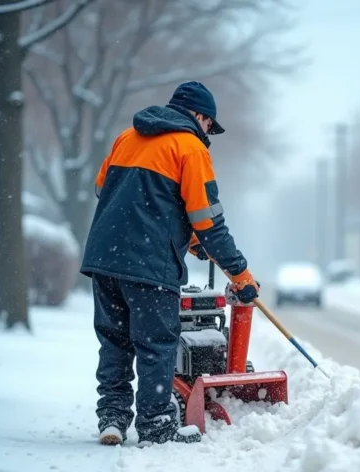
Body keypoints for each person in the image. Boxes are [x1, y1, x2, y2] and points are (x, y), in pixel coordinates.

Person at [80, 81, 260, 447]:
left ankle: (112, 419)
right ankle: (156, 426)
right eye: (210, 126)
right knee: (156, 345)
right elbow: (209, 221)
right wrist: (240, 275)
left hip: (104, 257)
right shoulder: (190, 148)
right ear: (199, 116)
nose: (209, 134)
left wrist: (186, 237)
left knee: (114, 342)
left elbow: (108, 189)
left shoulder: (126, 137)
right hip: (150, 265)